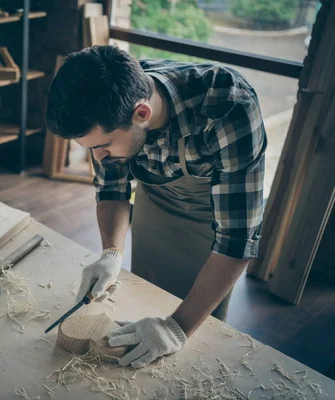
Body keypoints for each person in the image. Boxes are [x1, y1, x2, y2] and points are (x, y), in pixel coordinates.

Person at [45, 45, 266, 369]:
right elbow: (112, 188)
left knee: (194, 340)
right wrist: (111, 253)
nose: (98, 158)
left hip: (212, 218)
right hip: (155, 202)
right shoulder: (111, 96)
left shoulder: (230, 110)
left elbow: (236, 241)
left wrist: (178, 327)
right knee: (145, 297)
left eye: (103, 146)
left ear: (142, 114)